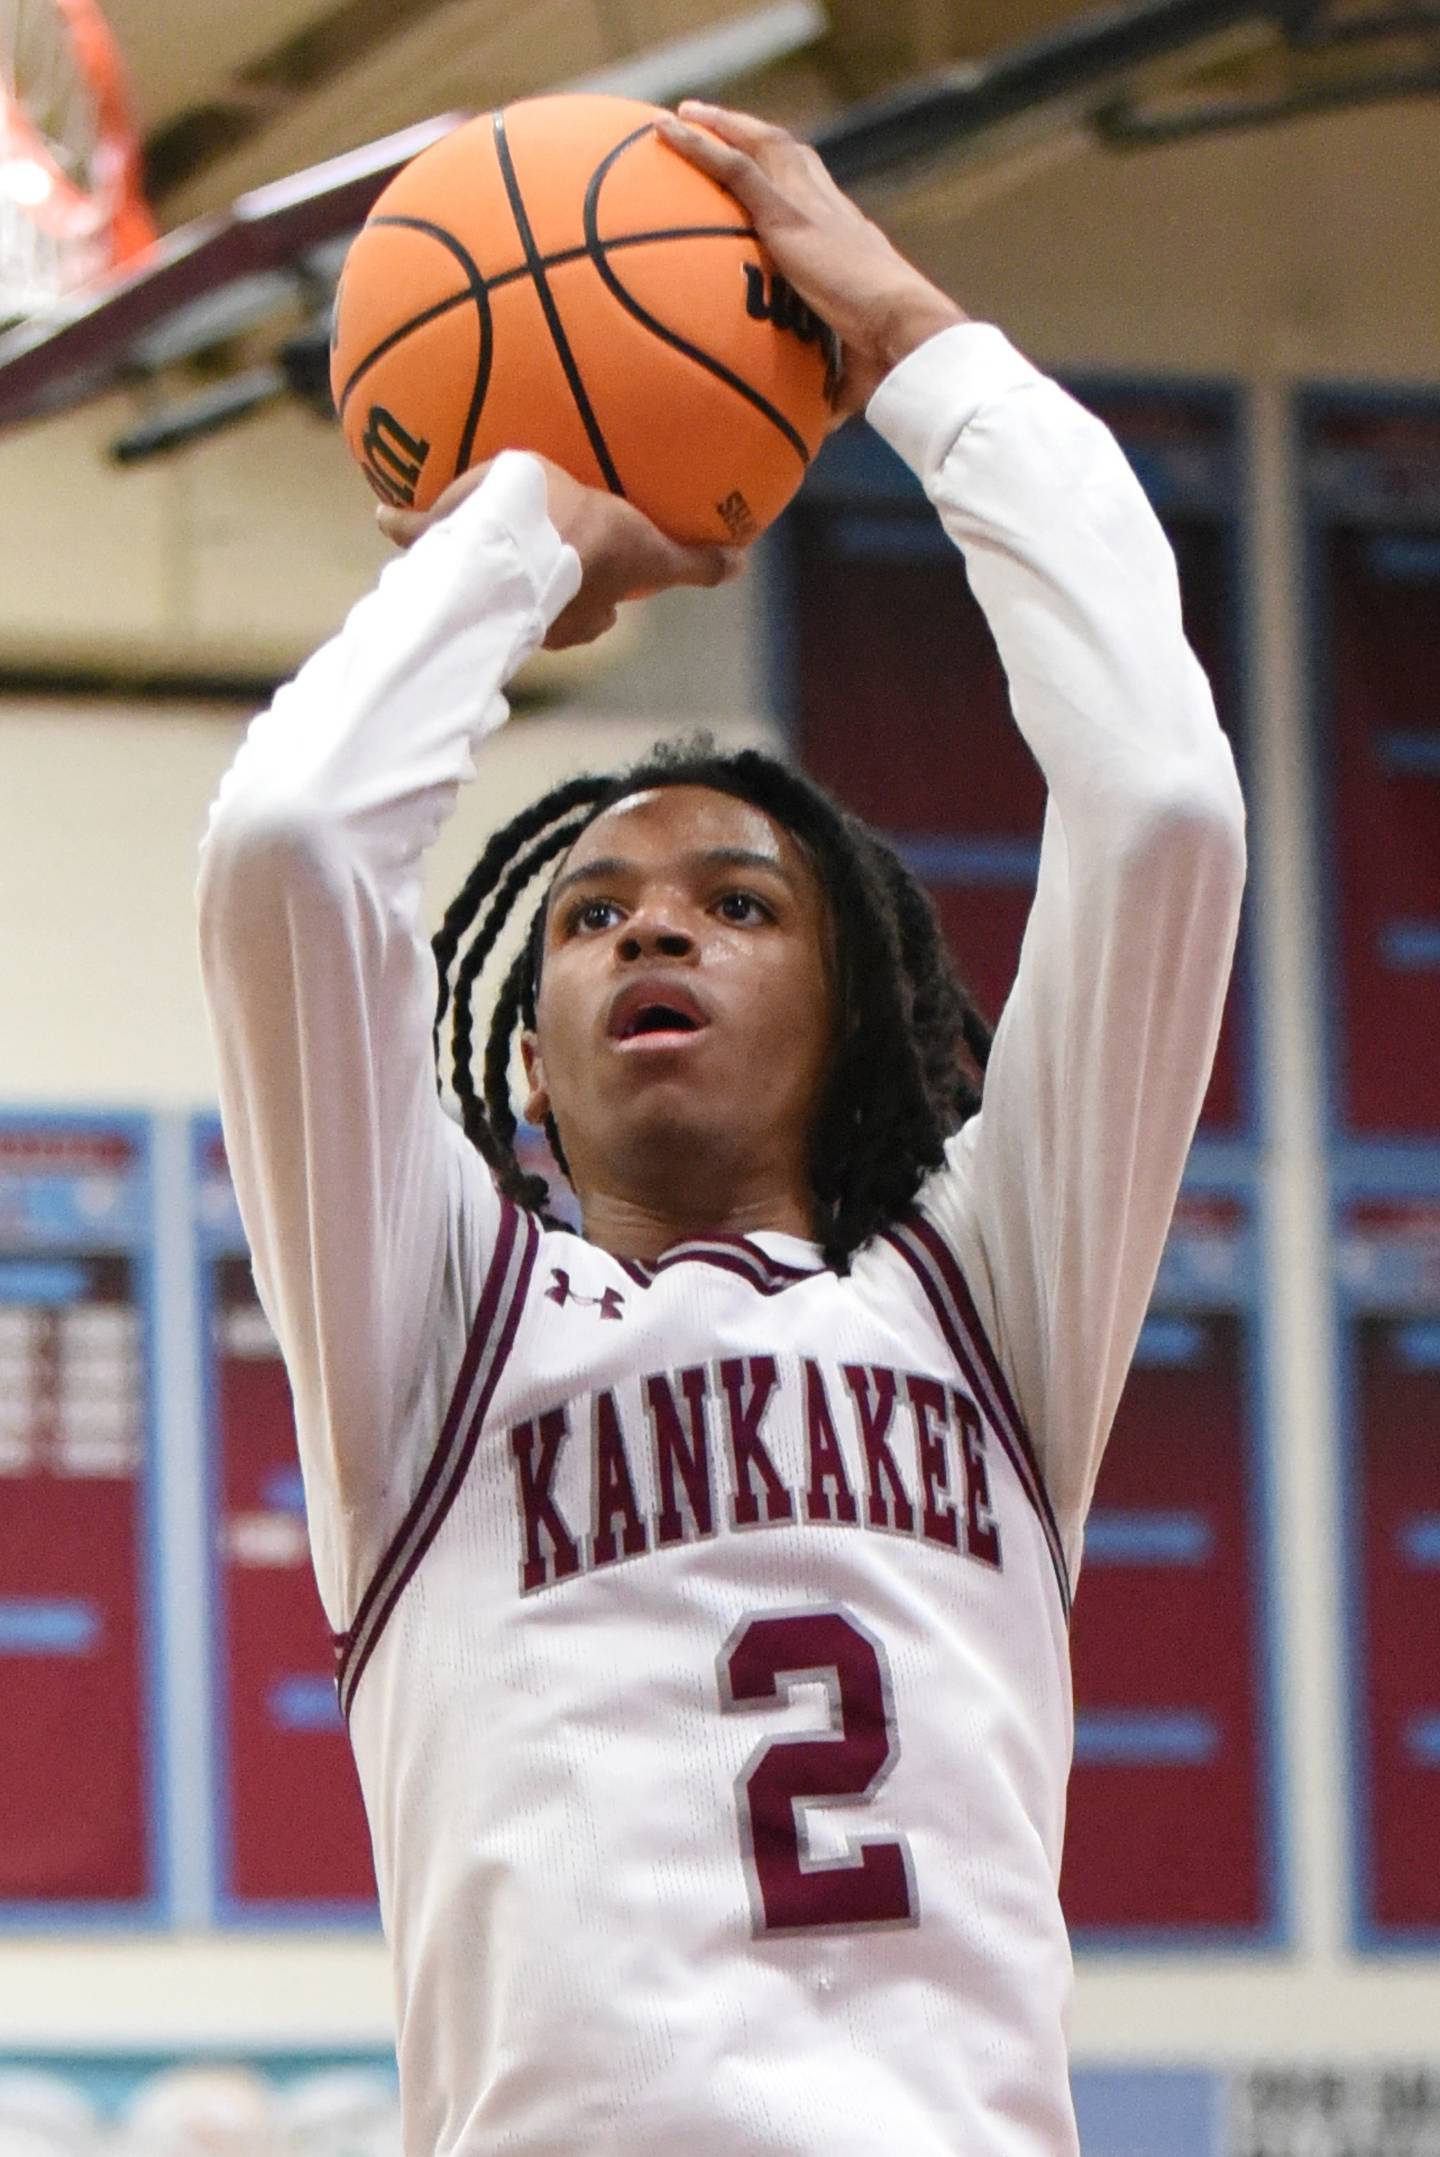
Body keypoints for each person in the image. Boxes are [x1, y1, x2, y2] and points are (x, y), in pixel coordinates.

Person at [198, 99, 1245, 2157]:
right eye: (590, 910)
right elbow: (292, 841)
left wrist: (924, 351)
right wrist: (520, 535)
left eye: (735, 901)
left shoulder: (991, 1290)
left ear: (853, 1018)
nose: (653, 917)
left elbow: (1168, 805)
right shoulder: (434, 1328)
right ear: (529, 1053)